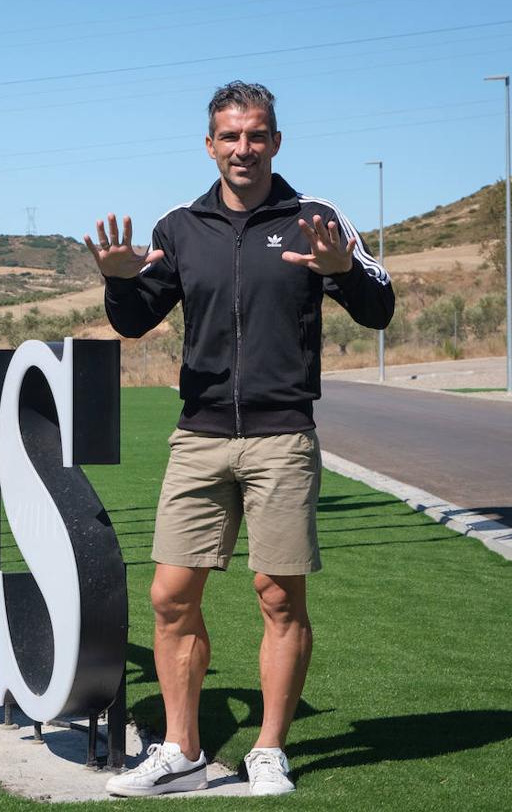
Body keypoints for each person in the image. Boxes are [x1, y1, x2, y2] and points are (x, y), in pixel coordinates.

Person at [86, 82, 394, 797]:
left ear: (276, 142)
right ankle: (181, 750)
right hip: (199, 435)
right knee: (169, 595)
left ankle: (268, 751)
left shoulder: (315, 218)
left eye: (256, 136)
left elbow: (379, 307)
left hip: (282, 435)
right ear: (210, 145)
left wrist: (343, 273)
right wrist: (116, 284)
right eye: (230, 137)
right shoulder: (180, 226)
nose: (243, 149)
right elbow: (136, 320)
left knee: (278, 597)